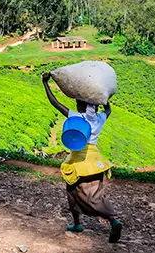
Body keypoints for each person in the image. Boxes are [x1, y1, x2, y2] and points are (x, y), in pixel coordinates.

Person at [42, 72, 122, 243]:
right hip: (95, 162)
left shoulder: (76, 117)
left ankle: (112, 220)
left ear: (81, 106)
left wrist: (45, 83)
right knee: (94, 195)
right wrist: (105, 99)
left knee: (74, 193)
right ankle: (81, 223)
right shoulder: (100, 118)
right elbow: (108, 109)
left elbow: (54, 103)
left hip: (78, 163)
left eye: (78, 103)